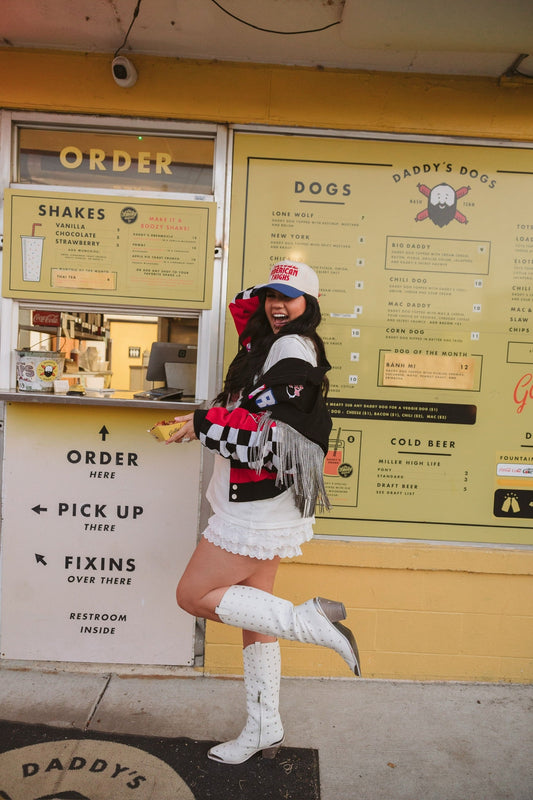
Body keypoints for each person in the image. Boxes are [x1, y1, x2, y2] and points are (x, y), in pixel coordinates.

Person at [166, 260, 361, 765]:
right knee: (256, 616)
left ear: (308, 305)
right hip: (267, 500)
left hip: (256, 507)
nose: (278, 305)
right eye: (272, 295)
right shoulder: (269, 345)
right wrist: (200, 420)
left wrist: (201, 421)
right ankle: (264, 725)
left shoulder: (293, 348)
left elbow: (262, 428)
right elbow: (250, 408)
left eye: (290, 297)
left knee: (193, 594)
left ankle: (312, 622)